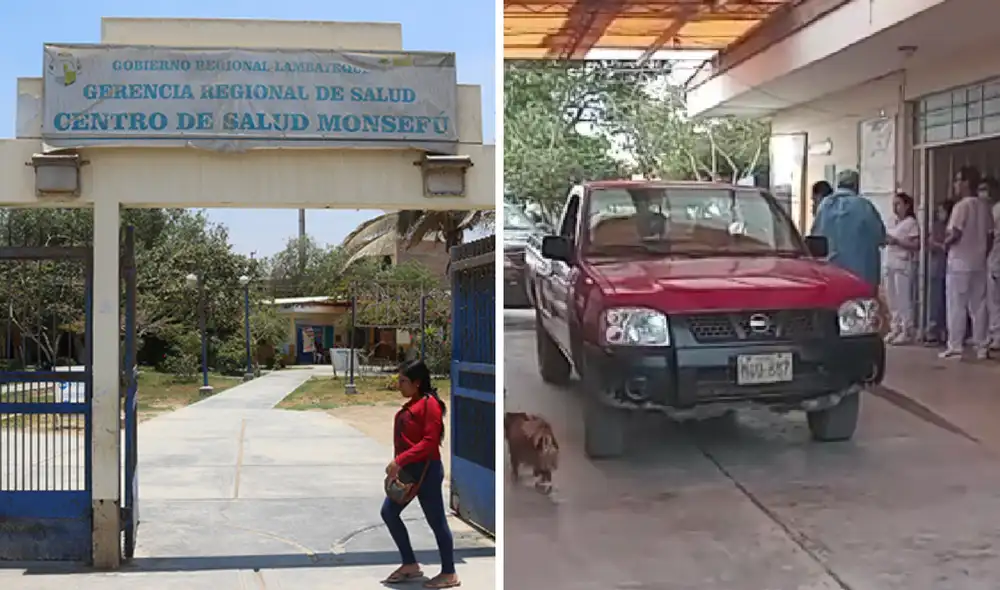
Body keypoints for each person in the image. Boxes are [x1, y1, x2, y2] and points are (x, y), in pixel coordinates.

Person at [381, 359, 459, 589]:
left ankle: (449, 573)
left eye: (403, 381)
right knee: (389, 512)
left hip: (427, 471)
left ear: (416, 383)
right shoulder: (413, 403)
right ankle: (410, 564)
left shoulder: (430, 404)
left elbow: (429, 442)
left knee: (436, 521)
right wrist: (399, 466)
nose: (399, 385)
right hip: (409, 471)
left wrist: (399, 461)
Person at [940, 166, 992, 360]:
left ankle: (955, 346)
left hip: (959, 263)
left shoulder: (961, 206)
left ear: (966, 183)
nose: (955, 184)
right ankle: (981, 346)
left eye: (957, 180)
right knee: (978, 306)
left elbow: (956, 233)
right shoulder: (984, 206)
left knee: (956, 304)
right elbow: (990, 236)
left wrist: (944, 245)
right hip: (978, 262)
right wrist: (982, 254)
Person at [810, 169, 887, 293]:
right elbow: (880, 237)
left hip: (831, 274)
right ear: (856, 186)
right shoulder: (865, 206)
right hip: (862, 276)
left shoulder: (825, 206)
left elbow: (815, 237)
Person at [883, 192, 920, 344]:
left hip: (902, 265)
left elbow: (916, 245)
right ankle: (895, 327)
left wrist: (897, 241)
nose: (895, 208)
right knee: (892, 300)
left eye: (898, 204)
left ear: (907, 205)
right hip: (889, 263)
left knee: (903, 299)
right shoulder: (893, 221)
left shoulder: (911, 223)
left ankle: (907, 329)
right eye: (894, 204)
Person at [925, 199, 954, 345]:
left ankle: (946, 330)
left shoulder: (952, 227)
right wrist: (941, 245)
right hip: (937, 267)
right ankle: (934, 330)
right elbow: (931, 243)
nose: (940, 214)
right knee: (935, 299)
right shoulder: (937, 227)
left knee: (948, 301)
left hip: (950, 266)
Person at [985, 177, 1000, 349]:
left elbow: (989, 236)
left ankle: (996, 335)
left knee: (994, 300)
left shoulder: (994, 210)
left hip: (995, 260)